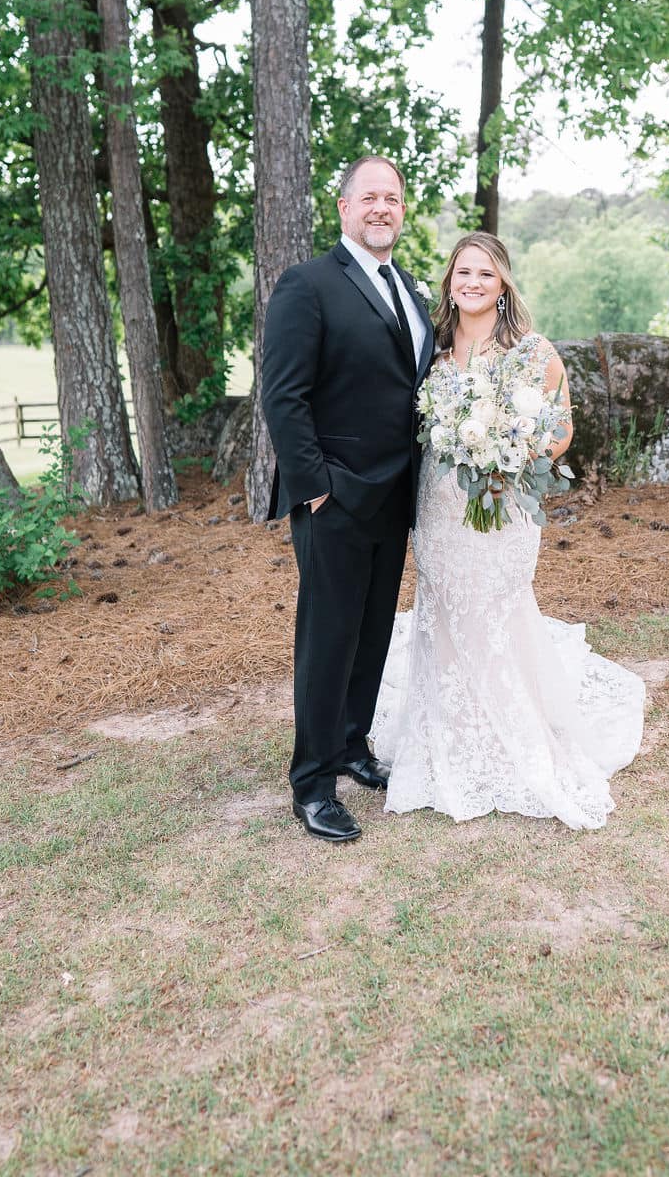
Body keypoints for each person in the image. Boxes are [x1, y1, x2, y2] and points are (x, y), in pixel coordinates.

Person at [371, 232, 645, 826]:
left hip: (504, 507)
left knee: (495, 610)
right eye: (463, 272)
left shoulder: (531, 351)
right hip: (440, 507)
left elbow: (561, 430)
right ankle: (448, 736)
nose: (472, 282)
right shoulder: (431, 351)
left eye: (485, 274)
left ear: (502, 286)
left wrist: (509, 455)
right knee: (445, 610)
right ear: (449, 283)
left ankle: (512, 738)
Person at [261, 156, 434, 842]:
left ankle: (353, 745)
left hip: (396, 495)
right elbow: (284, 396)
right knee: (328, 640)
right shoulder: (307, 284)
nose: (381, 208)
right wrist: (316, 490)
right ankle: (312, 784)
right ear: (343, 208)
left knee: (372, 633)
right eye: (369, 197)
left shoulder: (409, 287)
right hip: (334, 497)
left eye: (392, 198)